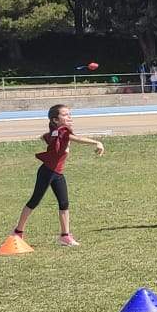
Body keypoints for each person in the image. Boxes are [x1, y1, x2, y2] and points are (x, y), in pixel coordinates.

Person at [9, 103, 106, 247]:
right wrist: (97, 142)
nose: (69, 116)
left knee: (64, 203)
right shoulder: (63, 131)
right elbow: (77, 139)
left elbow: (46, 136)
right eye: (65, 114)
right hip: (47, 172)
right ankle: (17, 232)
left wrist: (45, 137)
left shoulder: (56, 131)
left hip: (57, 173)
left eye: (69, 114)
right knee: (34, 201)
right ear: (55, 120)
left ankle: (65, 236)